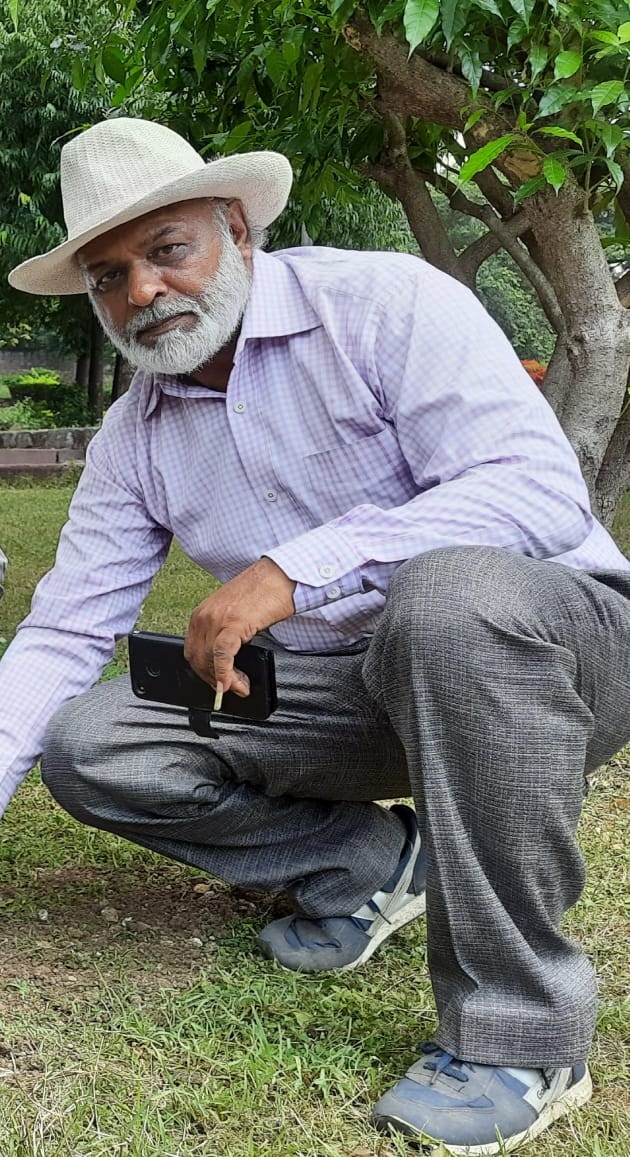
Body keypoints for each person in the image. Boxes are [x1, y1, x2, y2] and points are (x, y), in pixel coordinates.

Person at [2, 116, 630, 1155]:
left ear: (237, 229)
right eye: (109, 276)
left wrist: (295, 568)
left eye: (167, 250)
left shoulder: (384, 303)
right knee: (95, 741)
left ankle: (522, 1038)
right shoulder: (133, 438)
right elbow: (66, 627)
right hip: (347, 690)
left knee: (447, 597)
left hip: (550, 656)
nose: (144, 291)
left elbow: (532, 492)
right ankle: (371, 860)